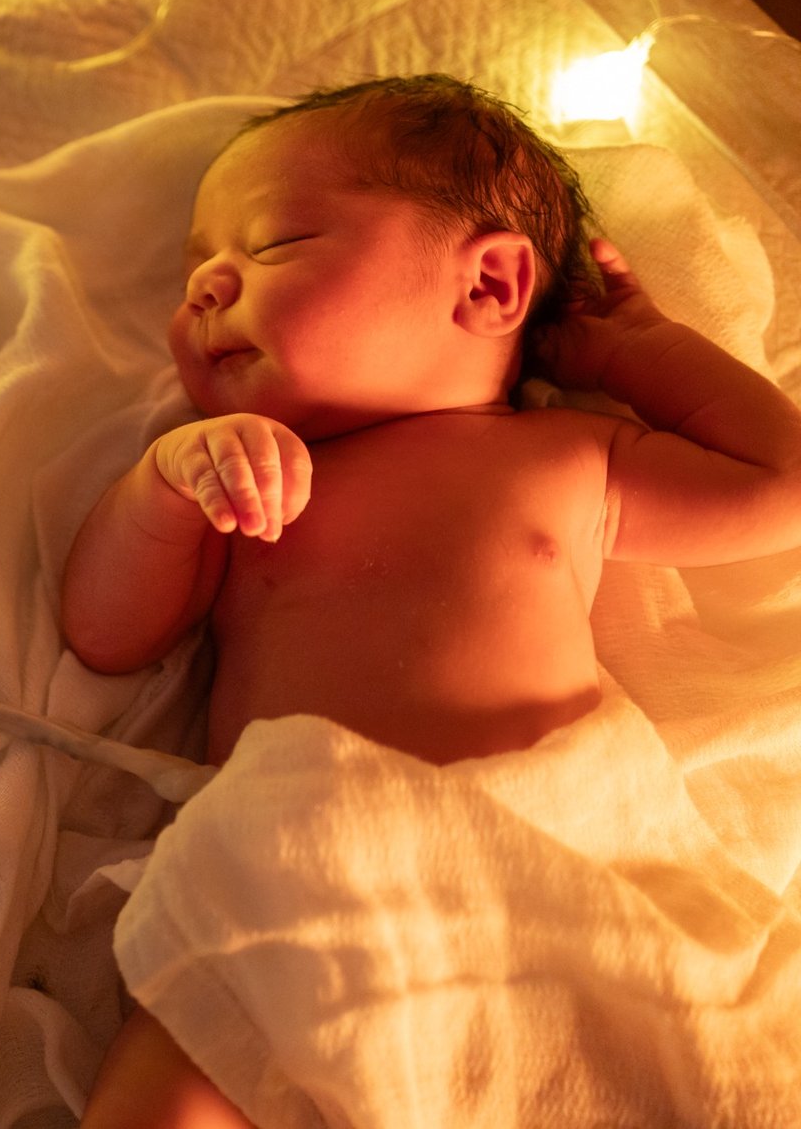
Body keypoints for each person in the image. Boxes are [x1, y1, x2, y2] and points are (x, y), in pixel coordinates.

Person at [59, 74, 801, 1128]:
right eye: (194, 274)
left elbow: (781, 487)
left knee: (690, 1068)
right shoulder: (250, 482)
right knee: (179, 1069)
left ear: (490, 285)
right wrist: (164, 488)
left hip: (548, 868)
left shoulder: (567, 457)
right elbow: (104, 633)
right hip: (305, 873)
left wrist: (633, 351)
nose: (207, 289)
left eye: (272, 245)